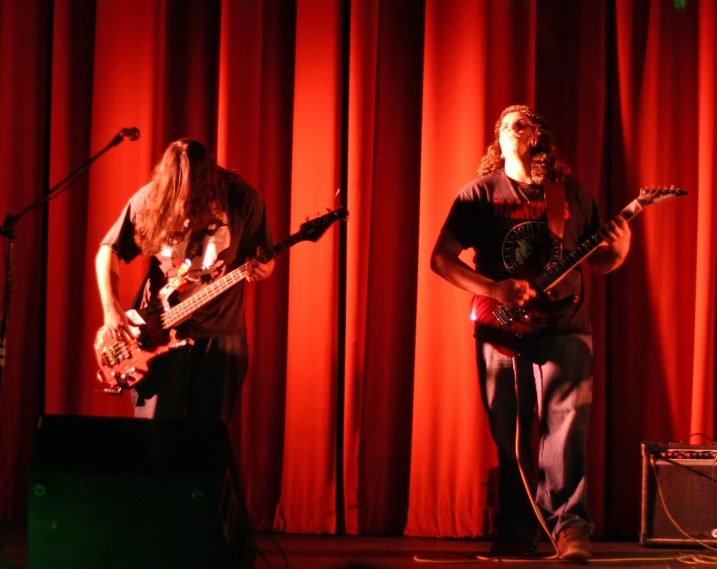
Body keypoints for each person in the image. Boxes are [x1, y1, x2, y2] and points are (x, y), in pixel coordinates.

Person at [430, 105, 631, 561]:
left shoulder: (570, 195)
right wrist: (494, 288)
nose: (513, 128)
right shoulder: (479, 194)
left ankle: (571, 530)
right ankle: (518, 531)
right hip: (501, 327)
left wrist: (619, 249)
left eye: (523, 123)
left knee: (568, 427)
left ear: (539, 136)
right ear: (496, 140)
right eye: (505, 124)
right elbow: (440, 260)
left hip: (566, 326)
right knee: (511, 435)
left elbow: (595, 261)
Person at [96, 138, 275, 422]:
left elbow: (265, 258)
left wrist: (264, 268)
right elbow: (109, 250)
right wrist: (110, 309)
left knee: (208, 441)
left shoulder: (241, 198)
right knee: (154, 439)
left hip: (220, 337)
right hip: (155, 334)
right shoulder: (150, 198)